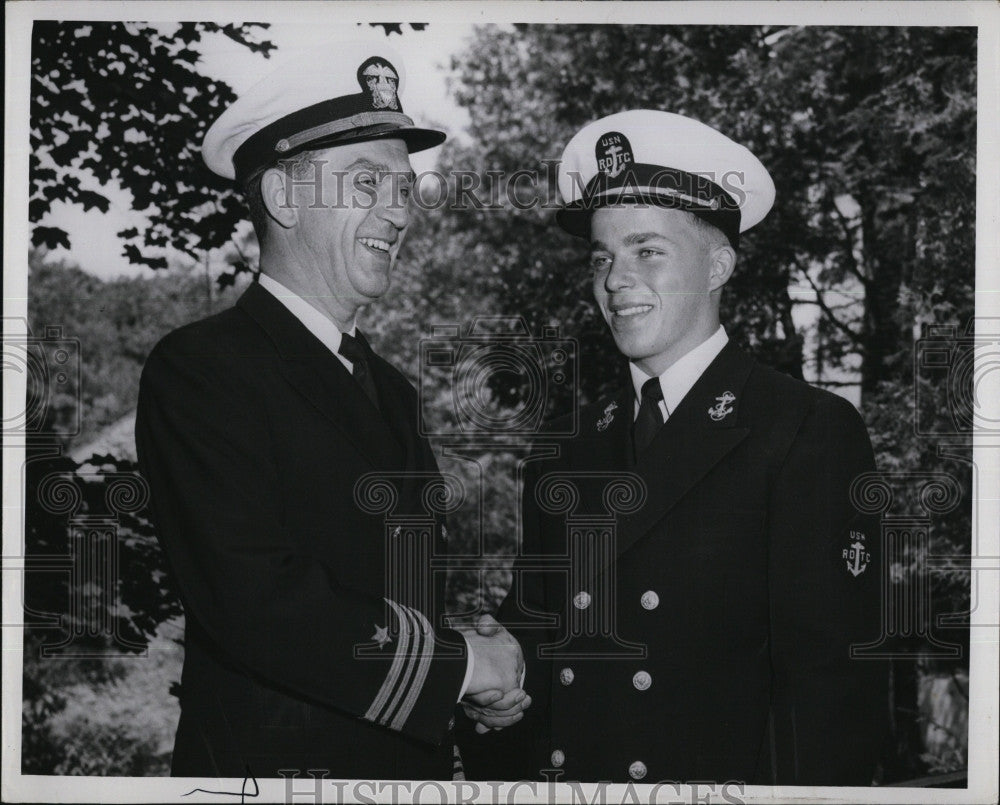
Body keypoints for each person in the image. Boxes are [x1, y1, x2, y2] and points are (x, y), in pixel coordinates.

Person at [135, 43, 527, 780]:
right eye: (367, 181)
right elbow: (258, 603)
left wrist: (463, 690)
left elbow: (392, 600)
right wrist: (462, 665)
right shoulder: (204, 370)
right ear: (282, 198)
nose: (398, 210)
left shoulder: (389, 388)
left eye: (404, 187)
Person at [460, 110, 888, 785]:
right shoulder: (566, 443)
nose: (615, 279)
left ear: (718, 263)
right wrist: (497, 699)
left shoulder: (804, 428)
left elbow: (830, 698)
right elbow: (542, 631)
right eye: (602, 256)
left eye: (647, 250)